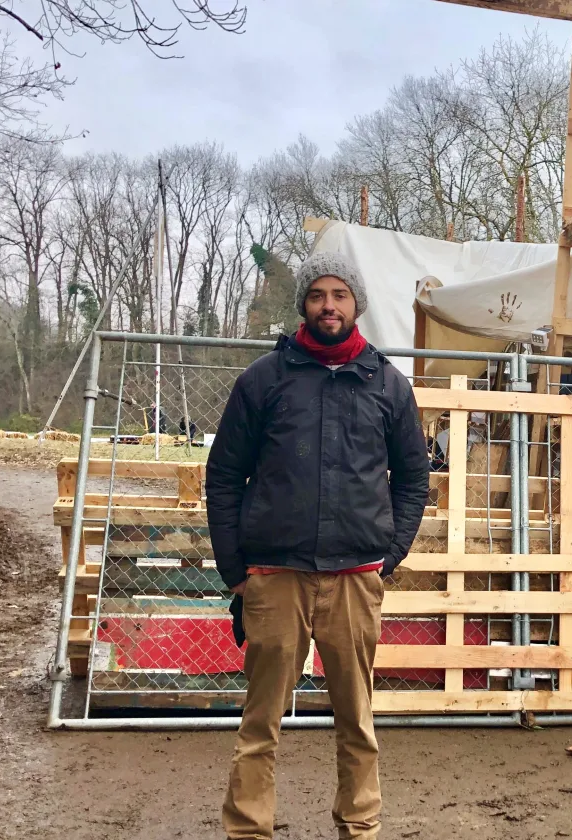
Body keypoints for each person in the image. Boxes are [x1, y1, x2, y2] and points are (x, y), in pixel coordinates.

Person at [206, 251, 430, 840]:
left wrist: (390, 552)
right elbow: (224, 476)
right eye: (317, 295)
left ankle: (359, 825)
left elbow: (413, 478)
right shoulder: (264, 380)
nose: (328, 306)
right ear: (303, 304)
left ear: (357, 304)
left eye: (339, 295)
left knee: (356, 719)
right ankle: (248, 829)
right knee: (261, 723)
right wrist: (235, 571)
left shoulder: (388, 384)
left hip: (355, 577)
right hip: (274, 576)